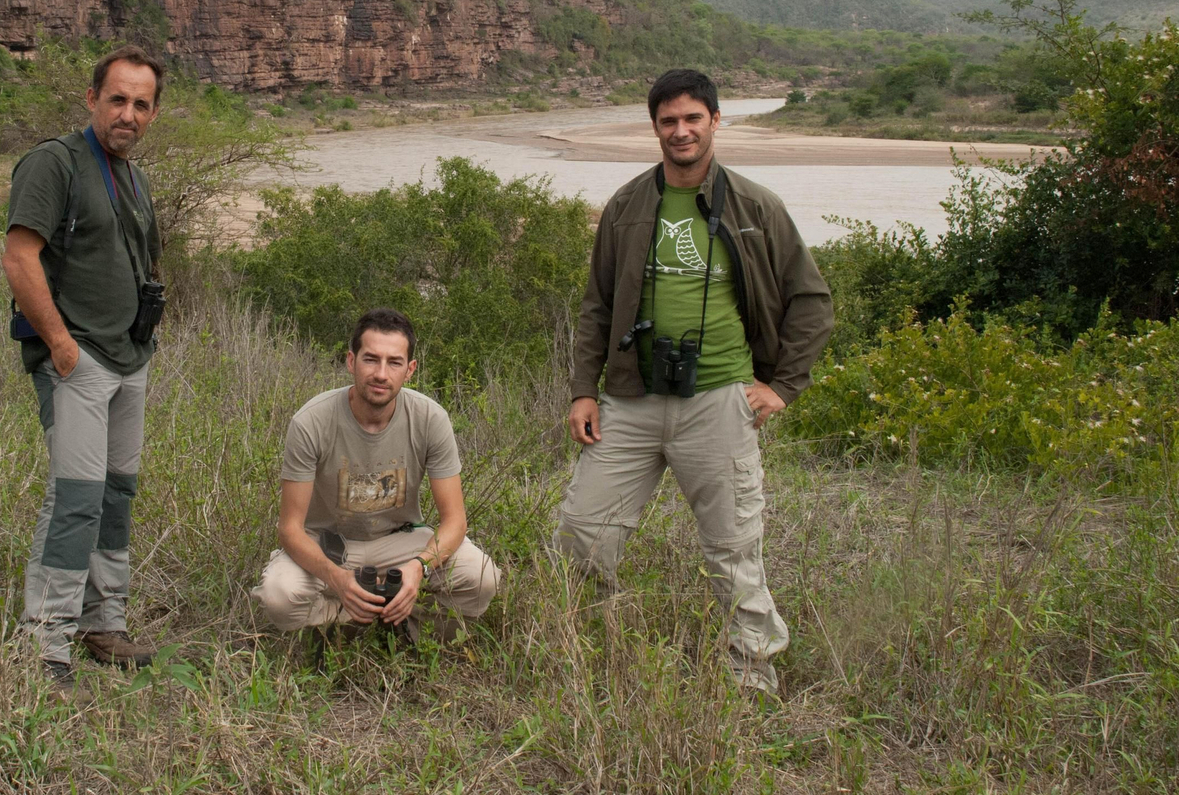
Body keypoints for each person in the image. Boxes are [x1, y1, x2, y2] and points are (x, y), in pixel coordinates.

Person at [552, 68, 833, 696]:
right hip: (630, 398)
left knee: (733, 546)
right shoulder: (627, 206)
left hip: (719, 399)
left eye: (692, 119)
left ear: (714, 121)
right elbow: (596, 305)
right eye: (668, 121)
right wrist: (582, 390)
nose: (680, 131)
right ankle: (587, 647)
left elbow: (811, 302)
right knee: (582, 533)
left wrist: (783, 386)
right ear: (654, 127)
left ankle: (751, 675)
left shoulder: (757, 206)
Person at [1, 45, 166, 689]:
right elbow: (20, 258)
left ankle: (104, 620)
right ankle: (46, 641)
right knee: (75, 497)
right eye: (117, 98)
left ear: (153, 113)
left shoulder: (131, 173)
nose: (127, 113)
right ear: (91, 99)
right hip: (79, 360)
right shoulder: (55, 163)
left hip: (130, 357)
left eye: (141, 103)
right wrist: (61, 345)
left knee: (117, 493)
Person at [252, 308, 501, 643]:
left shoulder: (430, 418)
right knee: (280, 597)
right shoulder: (311, 421)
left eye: (394, 362)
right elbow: (290, 529)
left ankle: (400, 616)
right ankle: (354, 619)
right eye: (371, 359)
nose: (381, 373)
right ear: (351, 362)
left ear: (410, 370)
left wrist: (419, 567)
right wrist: (337, 579)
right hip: (329, 545)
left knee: (482, 579)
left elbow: (454, 521)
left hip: (399, 541)